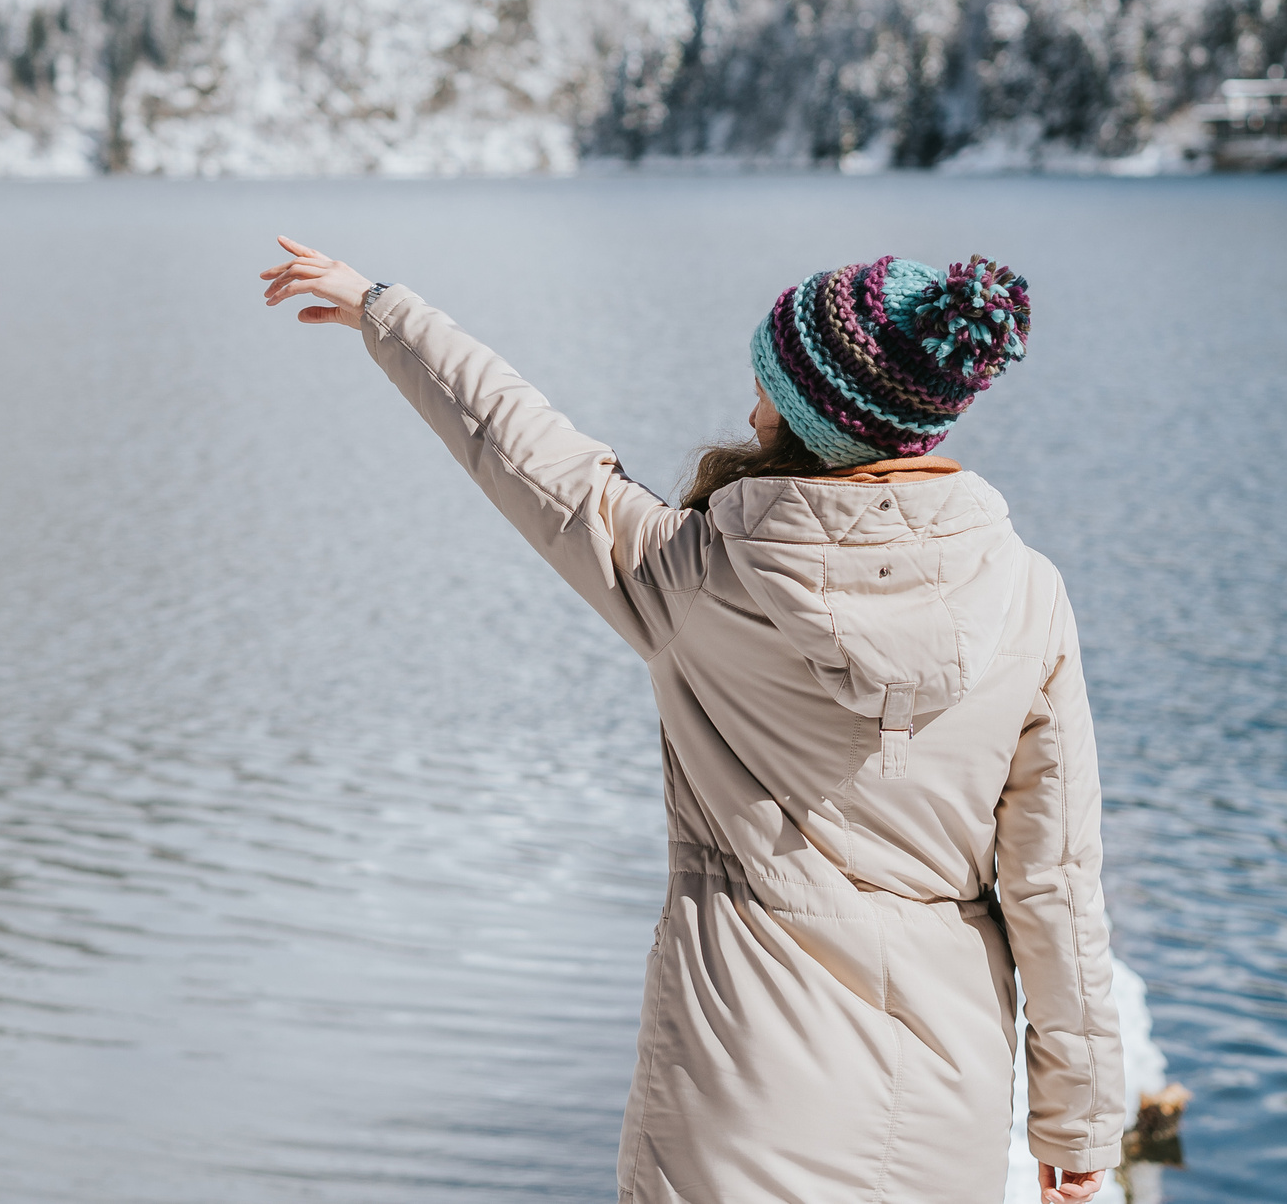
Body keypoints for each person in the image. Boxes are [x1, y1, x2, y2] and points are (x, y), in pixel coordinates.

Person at [260, 236, 1124, 1204]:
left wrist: (384, 311)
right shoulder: (1030, 599)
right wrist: (1079, 1117)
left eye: (768, 391)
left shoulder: (698, 577)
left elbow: (529, 454)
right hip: (942, 1104)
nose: (751, 411)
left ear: (814, 422)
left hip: (740, 1097)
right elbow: (1056, 883)